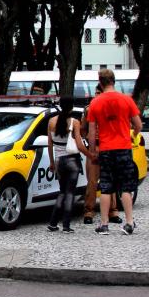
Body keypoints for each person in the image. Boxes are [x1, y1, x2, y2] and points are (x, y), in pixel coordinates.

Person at [87, 69, 143, 236]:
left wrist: (92, 151)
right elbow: (138, 125)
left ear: (100, 82)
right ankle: (129, 222)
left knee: (105, 187)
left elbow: (91, 131)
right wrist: (132, 134)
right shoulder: (126, 100)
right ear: (114, 81)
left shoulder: (95, 103)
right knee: (126, 187)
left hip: (105, 149)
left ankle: (104, 224)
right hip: (124, 148)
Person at [80, 84, 122, 225]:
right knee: (92, 182)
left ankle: (113, 211)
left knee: (111, 181)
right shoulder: (88, 109)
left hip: (109, 148)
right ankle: (89, 212)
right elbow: (82, 130)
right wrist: (89, 144)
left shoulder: (112, 109)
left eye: (100, 92)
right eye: (96, 92)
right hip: (94, 149)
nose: (97, 95)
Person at [46, 97, 89, 233]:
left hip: (59, 161)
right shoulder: (74, 122)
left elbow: (49, 144)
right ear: (71, 107)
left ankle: (53, 222)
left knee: (62, 192)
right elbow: (79, 145)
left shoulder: (51, 121)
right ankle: (66, 225)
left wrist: (52, 163)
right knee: (70, 193)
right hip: (72, 161)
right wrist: (91, 155)